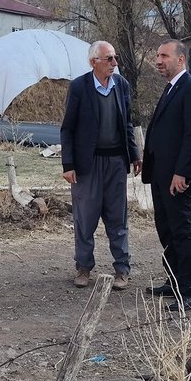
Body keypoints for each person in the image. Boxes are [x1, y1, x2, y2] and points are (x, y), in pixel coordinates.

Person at [60, 41, 142, 290]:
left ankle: (122, 270)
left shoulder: (121, 85)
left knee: (118, 218)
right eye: (109, 59)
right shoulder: (79, 87)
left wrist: (135, 154)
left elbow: (127, 123)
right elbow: (68, 128)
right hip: (88, 164)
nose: (114, 63)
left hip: (116, 162)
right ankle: (83, 268)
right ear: (93, 61)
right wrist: (68, 164)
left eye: (114, 58)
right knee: (85, 218)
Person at [142, 40, 191, 310]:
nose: (158, 60)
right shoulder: (171, 88)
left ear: (180, 60)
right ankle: (174, 282)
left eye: (164, 56)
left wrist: (182, 172)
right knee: (166, 229)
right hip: (160, 174)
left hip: (178, 176)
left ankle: (190, 292)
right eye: (157, 55)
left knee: (181, 231)